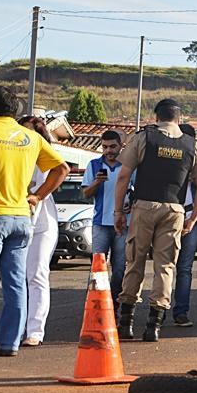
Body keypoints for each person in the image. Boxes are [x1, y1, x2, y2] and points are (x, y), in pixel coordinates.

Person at [114, 99, 197, 342]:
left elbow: (124, 174)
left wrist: (117, 212)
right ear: (179, 118)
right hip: (175, 210)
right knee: (165, 266)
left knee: (134, 262)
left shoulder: (145, 138)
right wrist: (192, 218)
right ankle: (153, 327)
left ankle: (125, 324)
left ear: (156, 117)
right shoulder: (192, 145)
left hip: (144, 206)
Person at [0, 87, 69, 356]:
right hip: (20, 219)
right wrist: (37, 196)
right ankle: (10, 343)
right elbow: (63, 169)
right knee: (16, 284)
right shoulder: (30, 138)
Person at [17, 116, 63, 347]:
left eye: (30, 132)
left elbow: (61, 171)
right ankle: (15, 328)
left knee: (36, 274)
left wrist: (36, 195)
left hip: (42, 224)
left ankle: (35, 330)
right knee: (16, 278)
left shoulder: (45, 155)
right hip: (15, 220)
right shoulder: (13, 152)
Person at [81, 129, 130, 302]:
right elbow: (85, 193)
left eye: (112, 146)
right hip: (100, 224)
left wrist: (129, 203)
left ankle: (115, 302)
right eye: (105, 147)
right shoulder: (93, 165)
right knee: (97, 266)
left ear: (121, 146)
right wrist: (97, 182)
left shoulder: (129, 167)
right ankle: (95, 302)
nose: (109, 150)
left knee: (119, 268)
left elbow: (138, 192)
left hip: (123, 225)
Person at [170, 123, 197, 328]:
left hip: (188, 218)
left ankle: (181, 312)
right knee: (165, 266)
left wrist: (193, 219)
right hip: (167, 217)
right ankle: (158, 310)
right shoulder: (166, 157)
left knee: (184, 268)